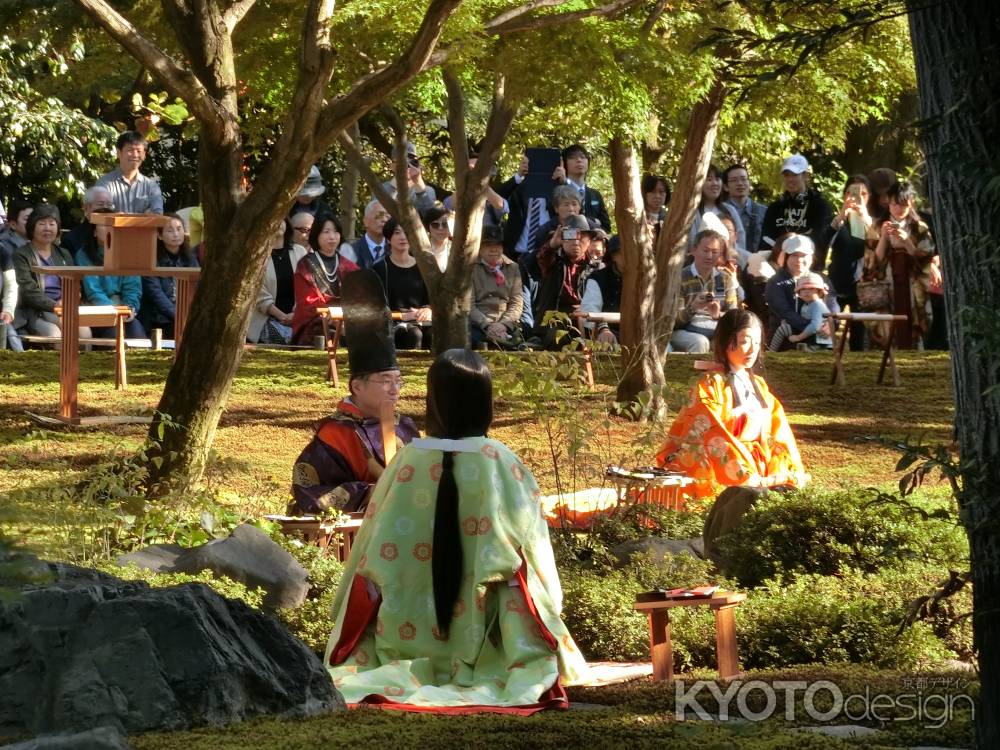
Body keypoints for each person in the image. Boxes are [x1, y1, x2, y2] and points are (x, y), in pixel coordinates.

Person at [325, 349, 587, 712]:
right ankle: (494, 666)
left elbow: (369, 540)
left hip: (402, 619)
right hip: (486, 623)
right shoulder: (500, 461)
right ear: (484, 402)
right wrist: (552, 606)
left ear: (433, 401)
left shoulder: (406, 462)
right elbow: (532, 543)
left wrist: (342, 611)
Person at [290, 270, 419, 515]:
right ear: (357, 386)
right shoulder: (337, 434)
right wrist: (370, 492)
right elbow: (308, 490)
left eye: (398, 381)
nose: (394, 389)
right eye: (385, 381)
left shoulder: (406, 426)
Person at [657, 309, 808, 500]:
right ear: (725, 341)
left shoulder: (759, 385)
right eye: (744, 342)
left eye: (756, 342)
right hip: (725, 468)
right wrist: (741, 471)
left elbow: (778, 433)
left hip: (758, 464)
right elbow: (710, 432)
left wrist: (780, 470)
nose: (752, 350)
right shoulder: (711, 384)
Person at [866, 180, 935, 349]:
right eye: (894, 204)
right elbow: (871, 262)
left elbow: (926, 257)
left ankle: (912, 349)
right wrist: (883, 237)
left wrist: (907, 242)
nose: (898, 209)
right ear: (888, 203)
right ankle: (887, 351)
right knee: (887, 316)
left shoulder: (920, 228)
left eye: (902, 205)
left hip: (911, 278)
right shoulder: (876, 225)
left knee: (911, 314)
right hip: (887, 278)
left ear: (911, 203)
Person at [13, 205, 91, 341]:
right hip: (36, 311)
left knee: (84, 332)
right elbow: (27, 290)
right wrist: (54, 305)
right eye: (42, 223)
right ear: (32, 227)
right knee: (54, 334)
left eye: (52, 223)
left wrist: (70, 300)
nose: (47, 228)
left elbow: (75, 283)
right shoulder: (22, 254)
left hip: (65, 308)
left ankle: (82, 363)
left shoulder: (63, 254)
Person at [75, 208, 146, 338]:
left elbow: (133, 287)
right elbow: (93, 291)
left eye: (112, 224)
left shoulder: (128, 254)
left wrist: (129, 308)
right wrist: (114, 312)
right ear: (94, 232)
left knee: (137, 334)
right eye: (105, 224)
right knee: (115, 336)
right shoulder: (84, 255)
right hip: (98, 310)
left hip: (123, 310)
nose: (110, 228)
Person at [822, 175, 874, 351]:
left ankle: (858, 367)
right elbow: (822, 242)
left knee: (858, 333)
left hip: (861, 283)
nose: (858, 197)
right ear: (845, 195)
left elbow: (878, 243)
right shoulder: (839, 221)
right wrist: (841, 216)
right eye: (852, 193)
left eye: (863, 193)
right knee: (830, 326)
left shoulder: (872, 221)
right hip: (836, 282)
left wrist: (865, 217)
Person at [289, 213, 358, 345]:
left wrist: (345, 316)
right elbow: (307, 302)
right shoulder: (305, 265)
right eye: (326, 232)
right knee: (328, 335)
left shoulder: (349, 266)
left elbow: (358, 296)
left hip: (346, 319)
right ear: (317, 234)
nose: (332, 236)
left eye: (336, 231)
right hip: (315, 323)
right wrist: (332, 317)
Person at [532, 214, 599, 346]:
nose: (575, 241)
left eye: (582, 237)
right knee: (557, 339)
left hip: (588, 319)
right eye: (570, 235)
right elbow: (537, 260)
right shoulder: (552, 261)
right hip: (555, 319)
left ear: (589, 241)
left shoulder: (597, 268)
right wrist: (552, 244)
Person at [669, 230, 740, 353]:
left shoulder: (725, 279)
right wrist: (692, 308)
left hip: (715, 328)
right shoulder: (679, 278)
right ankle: (693, 373)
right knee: (700, 342)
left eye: (714, 252)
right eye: (705, 251)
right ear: (694, 250)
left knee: (730, 340)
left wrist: (718, 315)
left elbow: (734, 316)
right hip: (683, 331)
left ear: (720, 255)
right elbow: (672, 322)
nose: (709, 256)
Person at [759, 154, 833, 269]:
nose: (790, 179)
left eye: (795, 175)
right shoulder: (776, 207)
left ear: (806, 176)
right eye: (786, 175)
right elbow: (765, 241)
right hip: (777, 269)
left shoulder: (820, 206)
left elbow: (820, 241)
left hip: (808, 268)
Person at [764, 234, 838, 349]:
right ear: (786, 257)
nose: (799, 260)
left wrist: (830, 324)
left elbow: (832, 305)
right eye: (794, 255)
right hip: (786, 341)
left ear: (812, 257)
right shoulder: (775, 282)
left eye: (804, 255)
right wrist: (814, 326)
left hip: (818, 337)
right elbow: (785, 312)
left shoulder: (821, 279)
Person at [371, 217, 432, 350]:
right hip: (394, 323)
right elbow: (375, 307)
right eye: (397, 233)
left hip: (422, 321)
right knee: (414, 335)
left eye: (406, 233)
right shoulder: (380, 268)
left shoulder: (423, 266)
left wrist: (427, 310)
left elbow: (432, 300)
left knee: (434, 335)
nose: (403, 237)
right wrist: (402, 316)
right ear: (388, 238)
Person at [246, 218, 308, 344]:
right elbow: (259, 294)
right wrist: (282, 316)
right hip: (266, 319)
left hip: (297, 316)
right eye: (272, 220)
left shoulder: (299, 251)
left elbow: (306, 286)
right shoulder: (256, 256)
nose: (277, 223)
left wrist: (295, 313)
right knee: (285, 339)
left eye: (281, 218)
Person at [141, 212, 198, 339]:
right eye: (170, 231)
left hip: (185, 312)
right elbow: (156, 295)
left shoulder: (190, 258)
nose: (176, 234)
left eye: (179, 229)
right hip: (160, 317)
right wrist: (180, 315)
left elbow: (196, 287)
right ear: (159, 235)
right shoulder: (151, 259)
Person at [469, 223, 523, 349]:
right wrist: (487, 325)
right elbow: (468, 305)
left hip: (506, 322)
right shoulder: (470, 268)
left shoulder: (512, 267)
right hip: (478, 323)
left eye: (497, 245)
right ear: (480, 248)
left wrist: (504, 324)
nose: (494, 250)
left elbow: (517, 302)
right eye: (488, 245)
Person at [95, 131, 164, 214]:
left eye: (139, 151)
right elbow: (101, 214)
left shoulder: (151, 186)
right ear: (118, 153)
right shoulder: (104, 183)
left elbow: (158, 215)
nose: (135, 155)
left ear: (144, 155)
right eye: (130, 150)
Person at [688, 165, 746, 258]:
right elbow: (691, 242)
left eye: (717, 179)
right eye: (709, 179)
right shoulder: (692, 212)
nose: (715, 183)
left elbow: (740, 239)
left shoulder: (730, 210)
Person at [556, 144, 612, 233]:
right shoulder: (558, 191)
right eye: (573, 157)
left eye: (583, 157)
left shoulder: (595, 194)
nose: (579, 160)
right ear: (563, 163)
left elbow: (606, 226)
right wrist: (595, 221)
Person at [769, 272, 831, 351]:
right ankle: (771, 351)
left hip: (819, 341)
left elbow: (815, 326)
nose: (807, 291)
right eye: (803, 289)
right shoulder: (806, 304)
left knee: (803, 350)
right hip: (809, 337)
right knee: (784, 328)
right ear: (799, 293)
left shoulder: (818, 305)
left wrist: (798, 337)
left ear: (819, 292)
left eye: (811, 288)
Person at [580, 235, 623, 344]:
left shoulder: (645, 277)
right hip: (608, 333)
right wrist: (603, 328)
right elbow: (589, 310)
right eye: (623, 252)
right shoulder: (598, 278)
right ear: (614, 256)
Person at [723, 164, 766, 264]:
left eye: (743, 179)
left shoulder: (764, 211)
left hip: (759, 265)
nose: (740, 183)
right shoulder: (721, 211)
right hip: (729, 265)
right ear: (725, 187)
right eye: (734, 180)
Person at [62, 186, 116, 256]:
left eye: (109, 205)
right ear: (86, 207)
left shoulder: (118, 234)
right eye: (100, 204)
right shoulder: (71, 239)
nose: (105, 208)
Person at [341, 200, 390, 269]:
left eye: (387, 216)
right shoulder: (352, 251)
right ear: (365, 221)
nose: (384, 220)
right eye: (379, 215)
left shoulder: (394, 251)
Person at [0, 238, 21, 351]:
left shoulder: (2, 251)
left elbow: (11, 284)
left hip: (1, 316)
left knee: (15, 345)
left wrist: (8, 309)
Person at [421, 205, 452, 272]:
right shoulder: (420, 248)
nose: (440, 228)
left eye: (445, 224)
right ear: (428, 226)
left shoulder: (457, 248)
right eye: (435, 224)